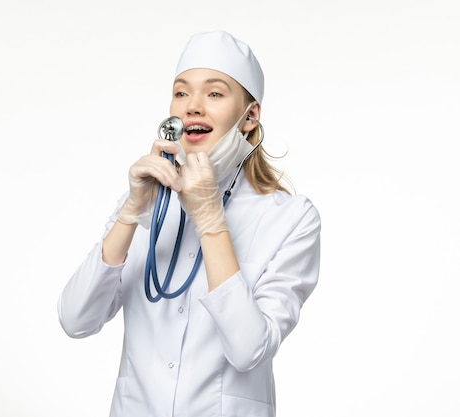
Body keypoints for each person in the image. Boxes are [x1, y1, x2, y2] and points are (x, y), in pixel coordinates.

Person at [57, 30, 321, 417]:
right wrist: (131, 210)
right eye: (181, 93)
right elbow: (75, 319)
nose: (192, 106)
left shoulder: (291, 218)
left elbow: (249, 350)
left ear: (250, 117)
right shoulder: (147, 204)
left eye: (214, 93)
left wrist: (211, 219)